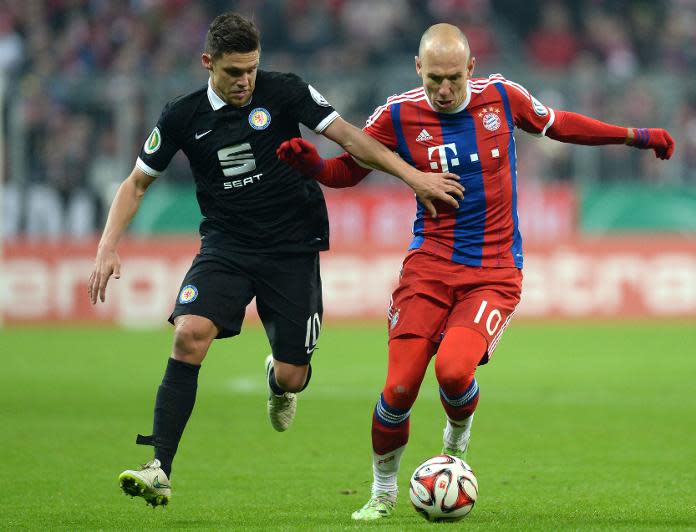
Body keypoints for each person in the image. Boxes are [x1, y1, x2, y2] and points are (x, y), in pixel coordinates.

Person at [276, 23, 675, 521]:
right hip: (427, 268)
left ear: (471, 69)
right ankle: (381, 492)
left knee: (453, 371)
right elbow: (346, 172)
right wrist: (314, 165)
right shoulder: (397, 115)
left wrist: (635, 136)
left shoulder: (503, 98)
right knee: (398, 390)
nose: (443, 91)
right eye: (434, 79)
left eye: (453, 79)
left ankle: (457, 434)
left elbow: (563, 124)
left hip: (494, 272)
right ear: (418, 69)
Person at [86, 13, 463, 508]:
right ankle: (159, 467)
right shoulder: (181, 115)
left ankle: (278, 382)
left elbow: (348, 138)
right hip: (227, 246)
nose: (245, 81)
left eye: (251, 69)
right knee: (188, 334)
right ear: (208, 63)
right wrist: (107, 245)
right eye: (233, 72)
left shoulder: (284, 90)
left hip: (292, 245)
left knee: (292, 375)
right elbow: (137, 182)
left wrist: (413, 177)